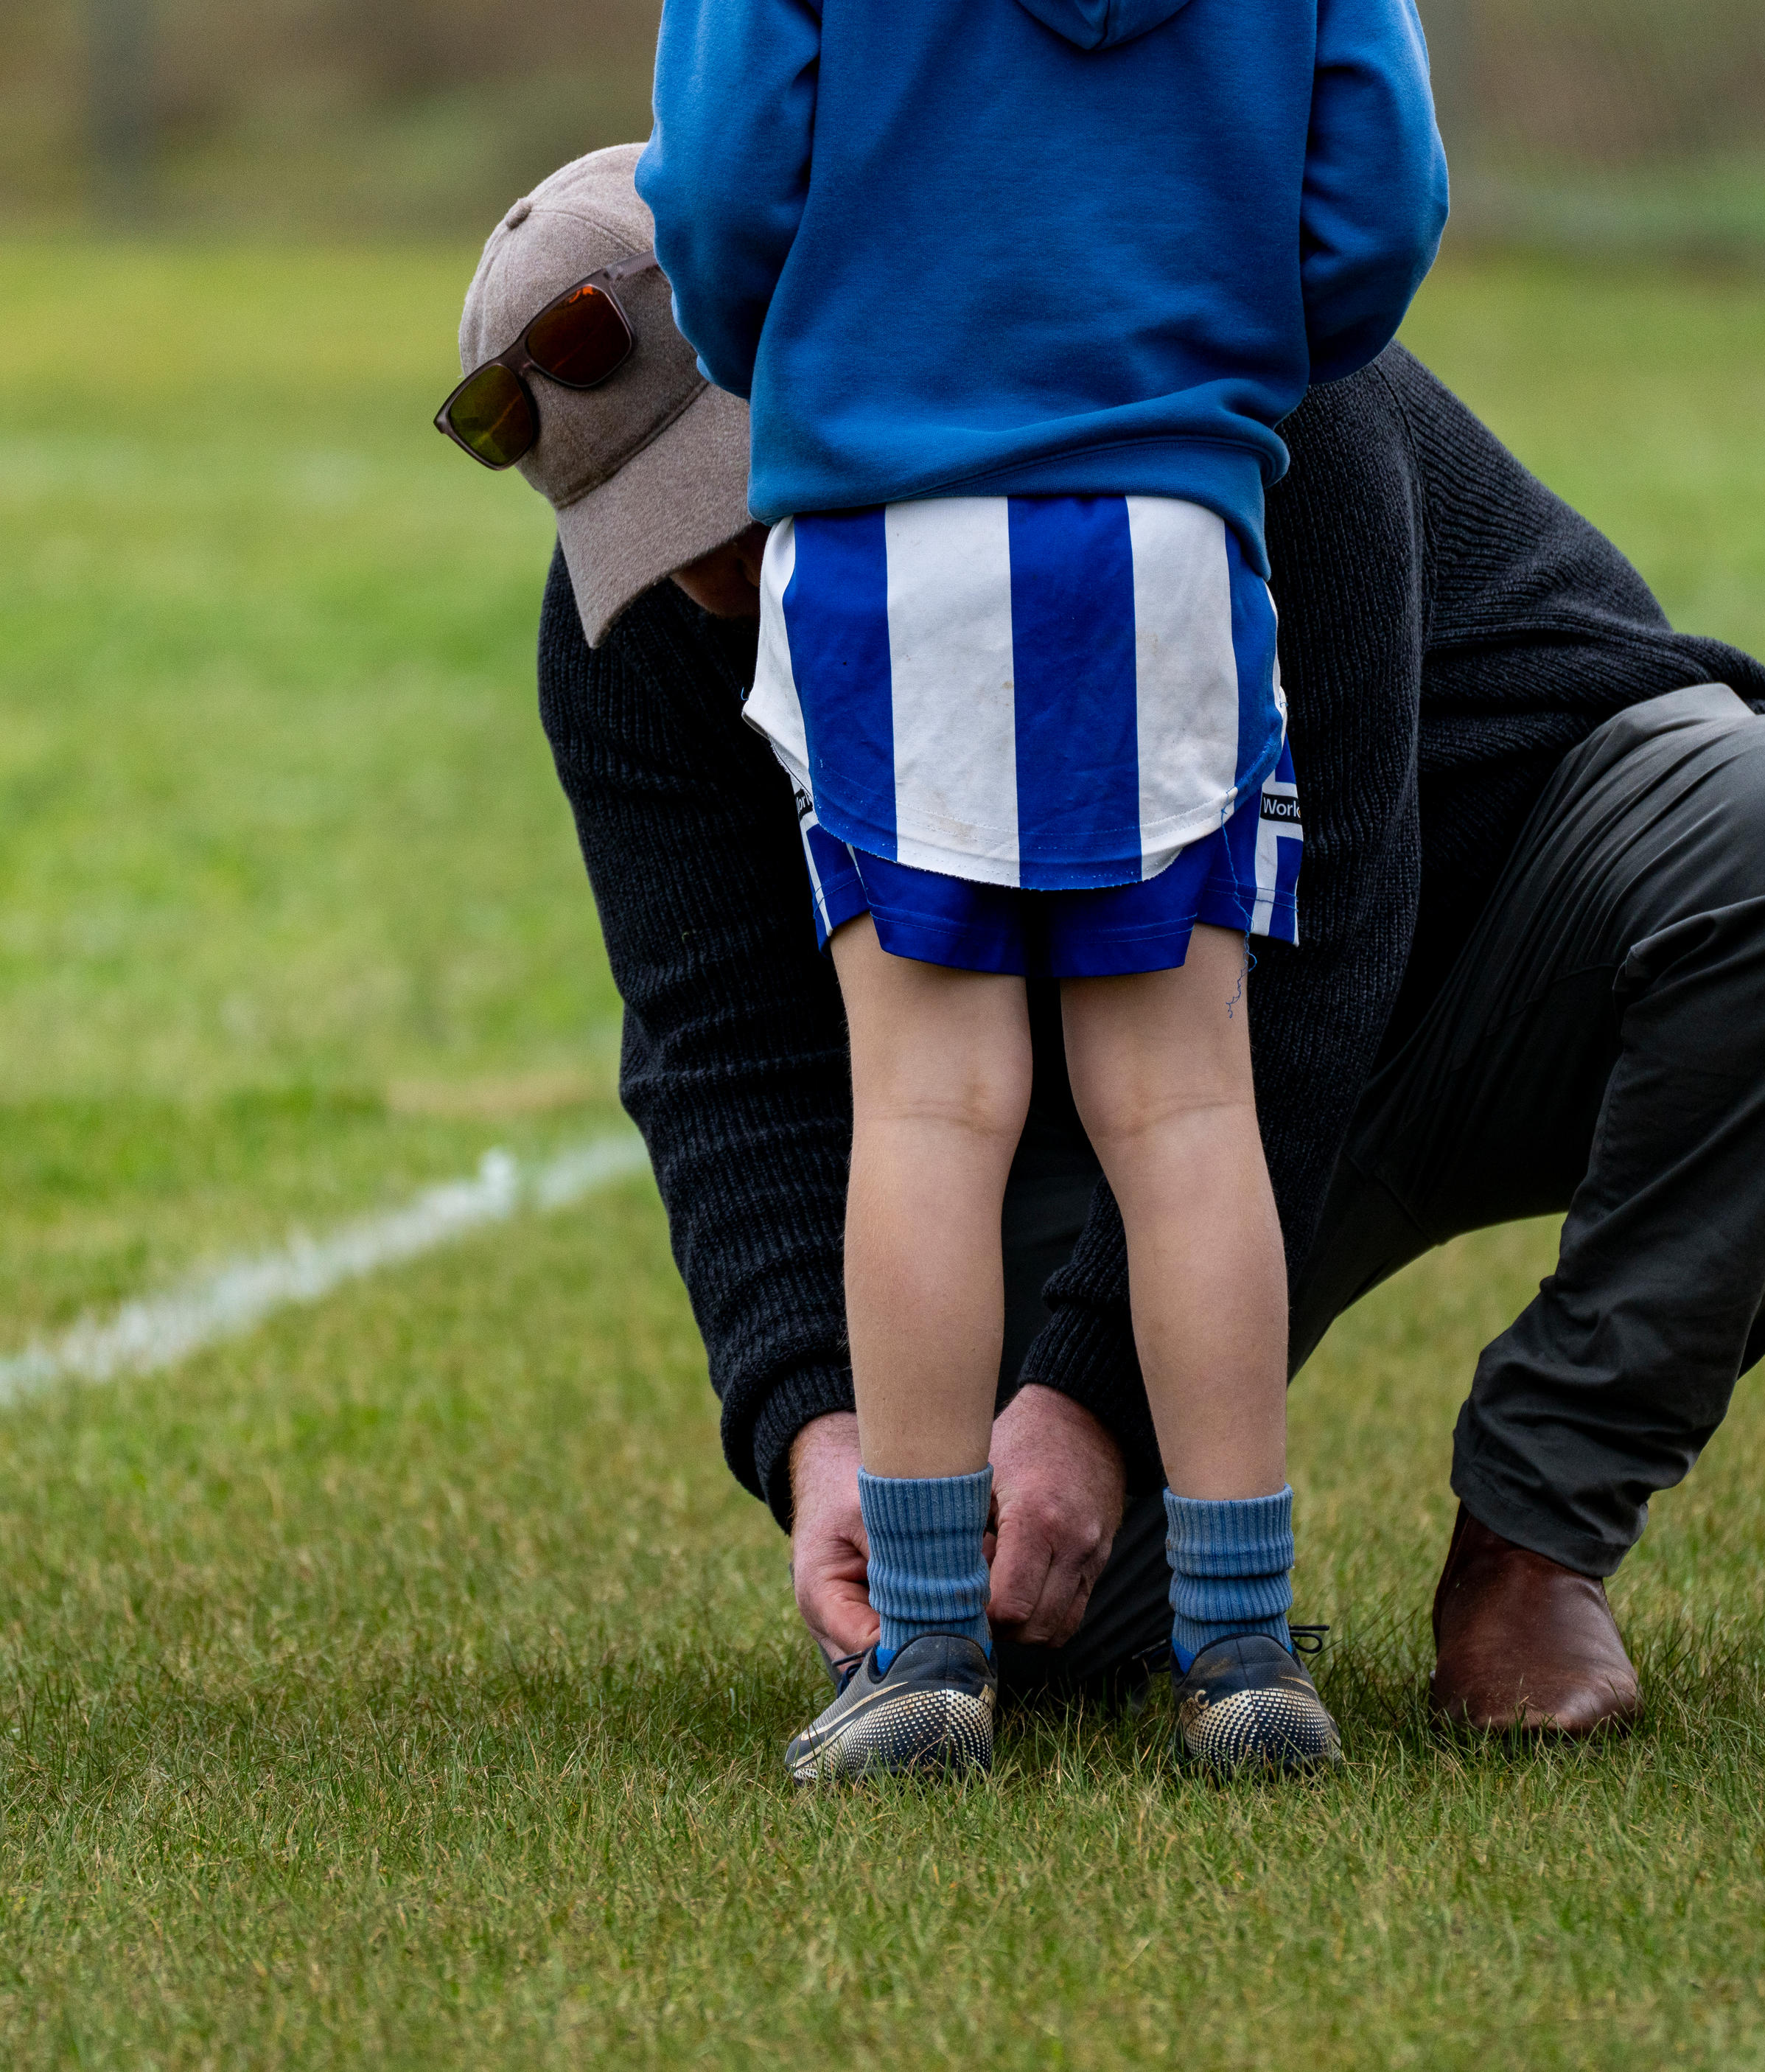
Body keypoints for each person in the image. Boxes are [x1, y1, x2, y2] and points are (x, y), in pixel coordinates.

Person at [437, 148, 1765, 1757]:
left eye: (735, 494)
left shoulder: (1233, 385)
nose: (708, 574)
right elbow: (725, 1044)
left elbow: (1342, 905)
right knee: (1037, 1609)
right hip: (1135, 1085)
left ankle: (1540, 1535)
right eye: (647, 528)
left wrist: (1089, 1399)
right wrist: (822, 1426)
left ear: (850, 330)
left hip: (1503, 925)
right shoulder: (647, 640)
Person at [632, 0, 1448, 1784]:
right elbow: (1379, 204)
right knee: (1187, 1106)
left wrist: (823, 346)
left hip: (881, 527)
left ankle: (924, 1649)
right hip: (1170, 523)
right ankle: (1242, 1652)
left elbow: (714, 191)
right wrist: (1215, 348)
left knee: (929, 1104)